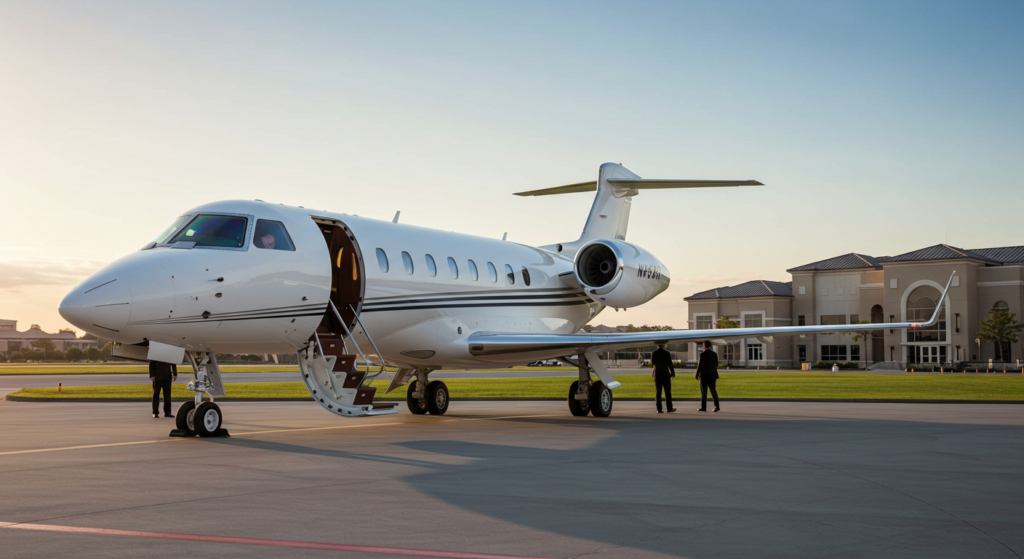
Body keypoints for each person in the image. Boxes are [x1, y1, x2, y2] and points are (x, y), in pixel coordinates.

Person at [695, 340, 720, 412]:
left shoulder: (702, 354)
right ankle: (717, 406)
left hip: (704, 375)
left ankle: (703, 407)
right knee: (713, 391)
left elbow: (700, 366)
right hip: (712, 375)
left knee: (704, 392)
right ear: (710, 346)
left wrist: (697, 375)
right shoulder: (714, 354)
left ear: (704, 346)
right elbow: (716, 364)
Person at [650, 343, 676, 413]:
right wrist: (672, 373)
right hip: (665, 374)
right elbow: (670, 364)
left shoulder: (654, 353)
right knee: (668, 392)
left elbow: (653, 363)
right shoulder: (667, 353)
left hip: (658, 374)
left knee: (658, 393)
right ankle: (669, 408)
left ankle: (659, 409)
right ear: (664, 345)